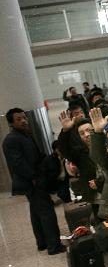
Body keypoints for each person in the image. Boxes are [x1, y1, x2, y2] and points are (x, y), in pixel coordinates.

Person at [2, 108, 65, 255]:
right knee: (47, 212)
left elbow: (37, 156)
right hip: (31, 182)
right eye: (18, 119)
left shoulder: (26, 135)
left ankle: (42, 243)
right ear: (11, 123)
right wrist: (34, 178)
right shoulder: (11, 140)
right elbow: (18, 164)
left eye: (24, 117)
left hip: (35, 180)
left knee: (37, 212)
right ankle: (54, 246)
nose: (23, 120)